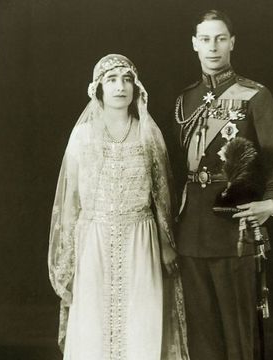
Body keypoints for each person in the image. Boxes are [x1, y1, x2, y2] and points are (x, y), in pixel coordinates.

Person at [48, 54, 189, 360]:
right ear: (98, 88)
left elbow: (162, 196)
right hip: (94, 241)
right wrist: (69, 258)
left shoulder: (148, 134)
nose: (120, 87)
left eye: (127, 79)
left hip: (141, 239)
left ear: (136, 87)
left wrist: (166, 244)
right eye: (111, 80)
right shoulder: (82, 137)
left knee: (141, 320)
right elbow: (70, 202)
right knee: (94, 323)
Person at [172, 10, 273, 360]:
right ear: (195, 44)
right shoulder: (185, 101)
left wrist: (272, 204)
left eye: (221, 38)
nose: (213, 47)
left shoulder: (255, 96)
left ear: (232, 43)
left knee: (239, 339)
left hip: (235, 229)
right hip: (191, 233)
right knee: (202, 341)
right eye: (206, 39)